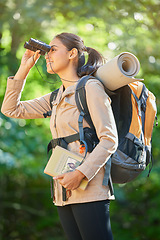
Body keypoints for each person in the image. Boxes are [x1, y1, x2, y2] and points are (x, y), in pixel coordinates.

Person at [1, 32, 118, 240]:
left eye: (53, 49)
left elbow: (109, 139)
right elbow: (11, 109)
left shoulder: (90, 88)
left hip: (88, 188)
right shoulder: (56, 96)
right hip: (63, 191)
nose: (47, 55)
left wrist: (80, 173)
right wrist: (24, 68)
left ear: (72, 53)